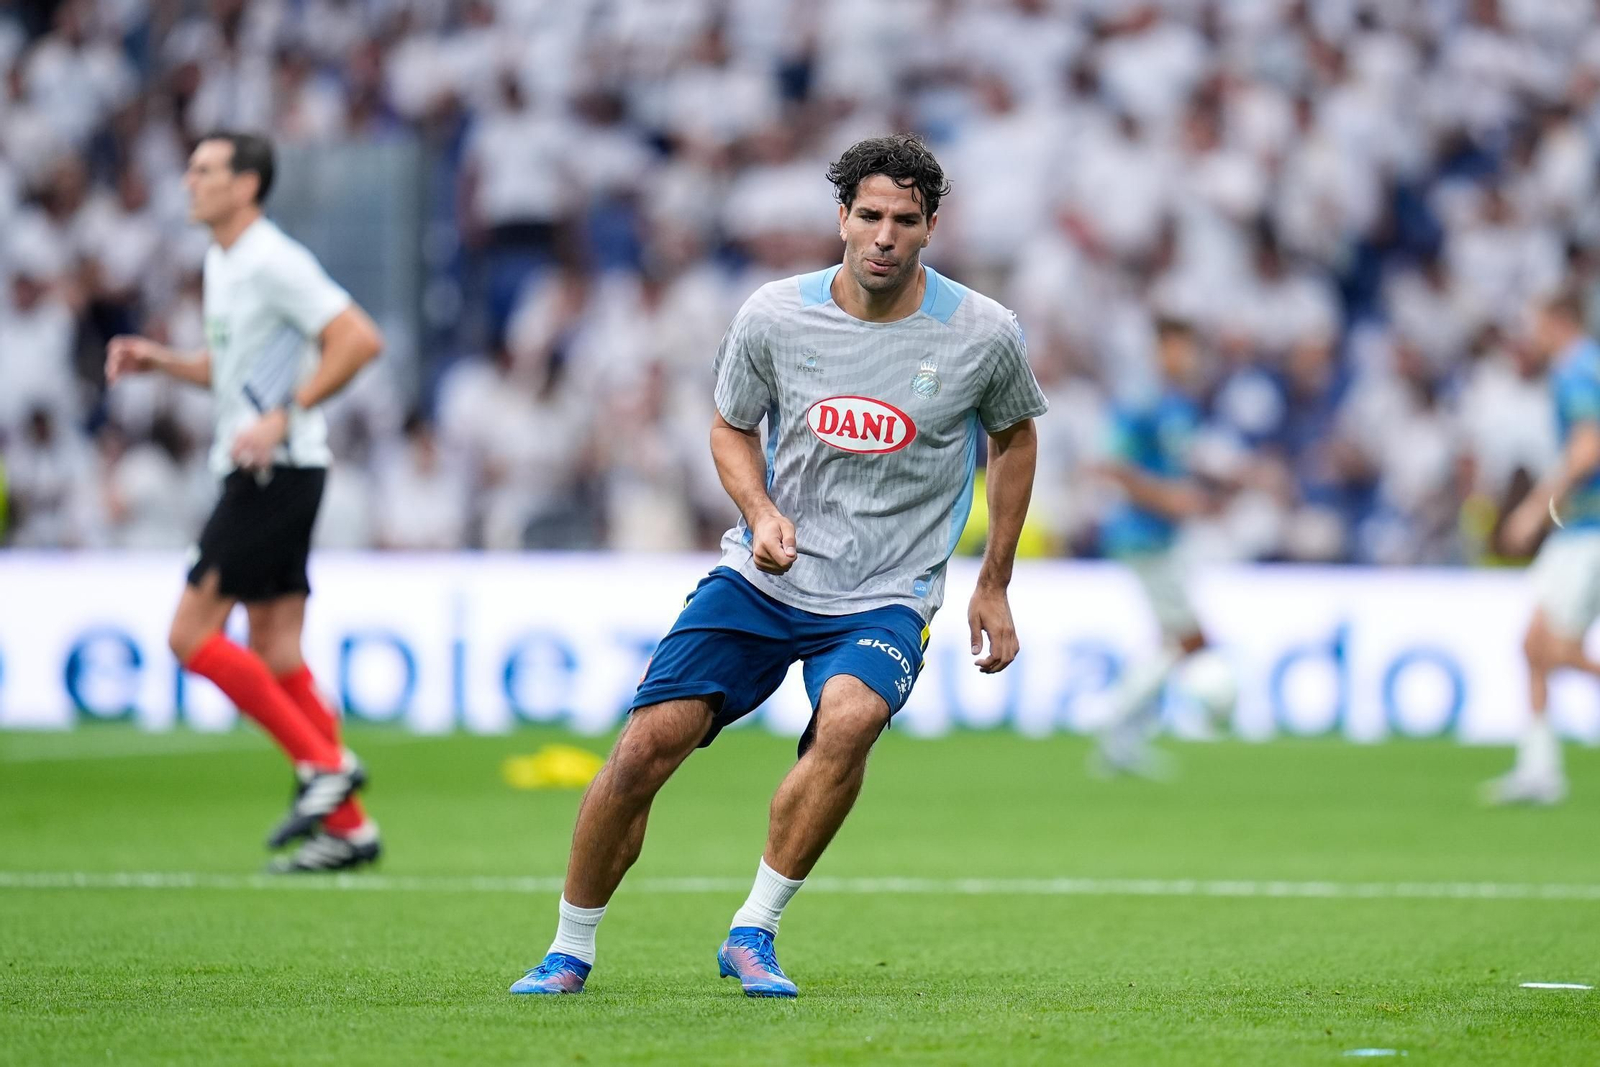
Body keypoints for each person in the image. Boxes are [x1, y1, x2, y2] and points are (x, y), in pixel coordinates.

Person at [509, 134, 1048, 997]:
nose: (883, 235)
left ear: (930, 228)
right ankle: (569, 947)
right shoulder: (773, 314)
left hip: (886, 587)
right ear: (840, 218)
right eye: (868, 215)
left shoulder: (982, 332)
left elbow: (1015, 437)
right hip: (766, 574)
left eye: (904, 220)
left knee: (849, 718)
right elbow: (730, 426)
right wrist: (759, 512)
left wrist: (994, 581)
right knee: (647, 746)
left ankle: (753, 930)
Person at [104, 132, 386, 869]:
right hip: (276, 468)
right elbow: (235, 375)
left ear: (247, 185)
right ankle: (349, 828)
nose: (190, 181)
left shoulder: (272, 258)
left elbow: (358, 340)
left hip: (273, 471)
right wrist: (161, 360)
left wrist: (285, 412)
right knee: (277, 649)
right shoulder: (223, 260)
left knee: (188, 634)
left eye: (206, 170)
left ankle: (324, 766)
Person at [1091, 318, 1234, 775]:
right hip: (1141, 536)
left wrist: (1203, 495)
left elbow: (1175, 467)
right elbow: (1111, 465)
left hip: (1168, 538)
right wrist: (1167, 498)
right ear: (1161, 350)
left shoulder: (1181, 405)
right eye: (1179, 348)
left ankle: (1122, 740)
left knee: (1173, 641)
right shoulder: (1141, 399)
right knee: (1188, 638)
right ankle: (1117, 729)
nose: (1187, 358)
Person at [1492, 289, 1600, 805]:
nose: (1530, 335)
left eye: (1535, 323)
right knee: (1533, 646)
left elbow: (1587, 448)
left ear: (1558, 320)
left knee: (1555, 650)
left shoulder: (1576, 370)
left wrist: (1537, 509)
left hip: (1585, 531)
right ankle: (1540, 769)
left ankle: (1540, 768)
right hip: (1579, 532)